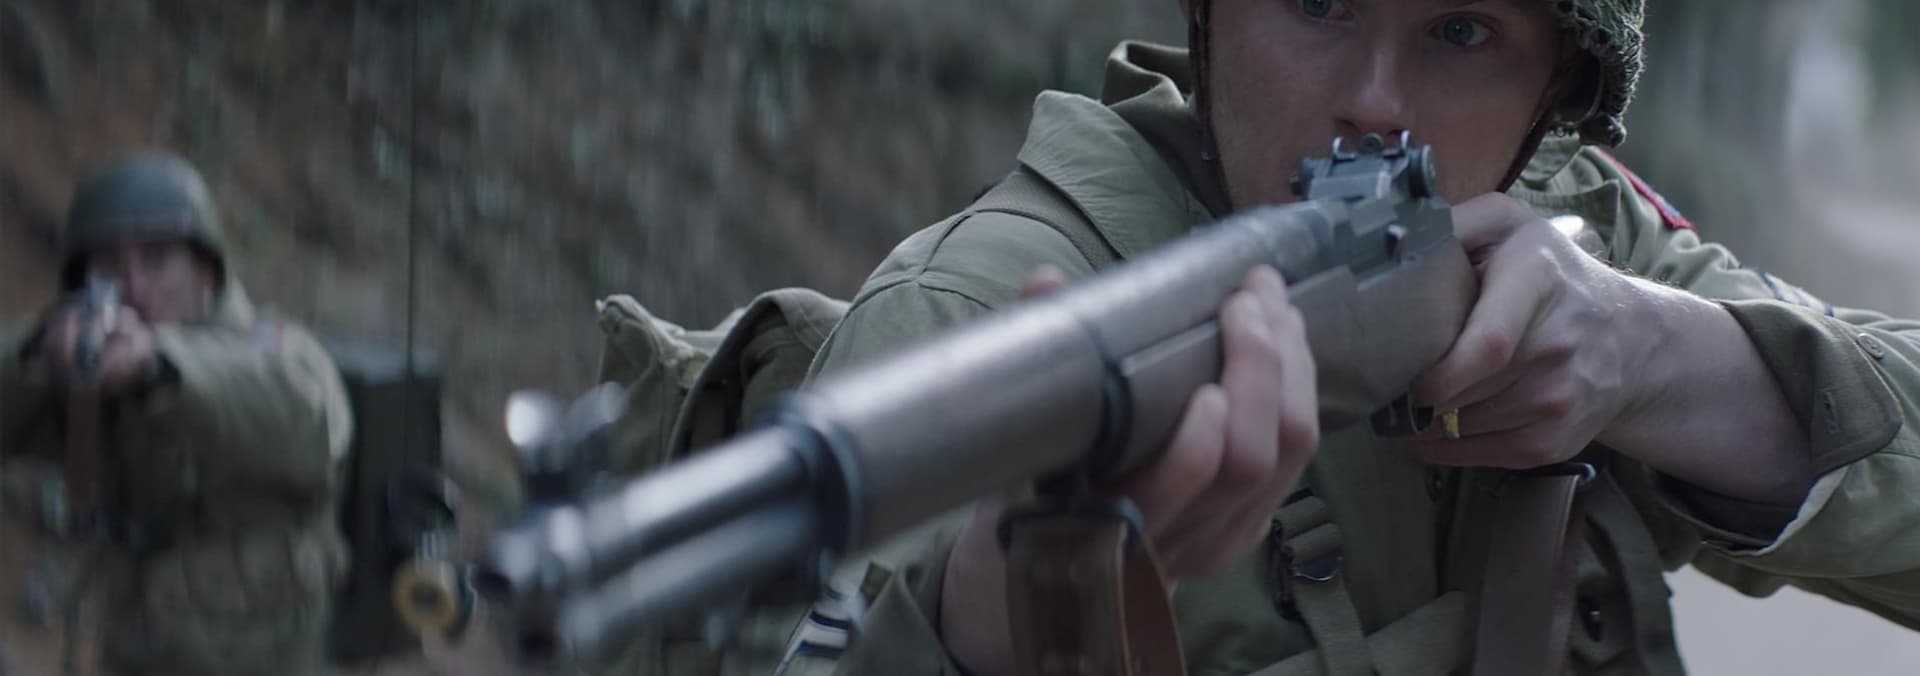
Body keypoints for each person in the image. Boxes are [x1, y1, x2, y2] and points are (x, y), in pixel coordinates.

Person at [0, 152, 353, 676]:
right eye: (110, 268)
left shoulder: (278, 352)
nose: (135, 288)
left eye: (157, 260)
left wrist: (157, 366)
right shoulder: (96, 381)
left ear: (205, 271)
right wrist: (40, 348)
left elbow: (304, 414)